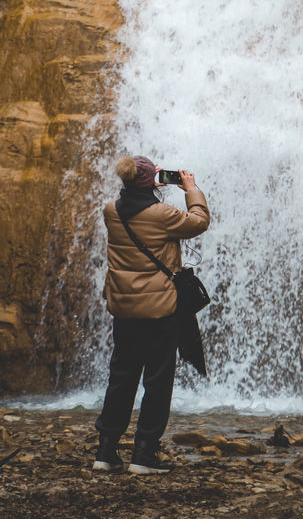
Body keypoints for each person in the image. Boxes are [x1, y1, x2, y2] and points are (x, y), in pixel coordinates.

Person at [93, 154, 210, 475]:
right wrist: (190, 188)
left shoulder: (110, 211)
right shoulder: (162, 214)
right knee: (157, 380)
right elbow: (199, 221)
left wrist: (146, 181)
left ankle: (105, 452)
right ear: (152, 182)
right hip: (160, 310)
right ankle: (144, 454)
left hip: (125, 309)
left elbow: (132, 203)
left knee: (122, 377)